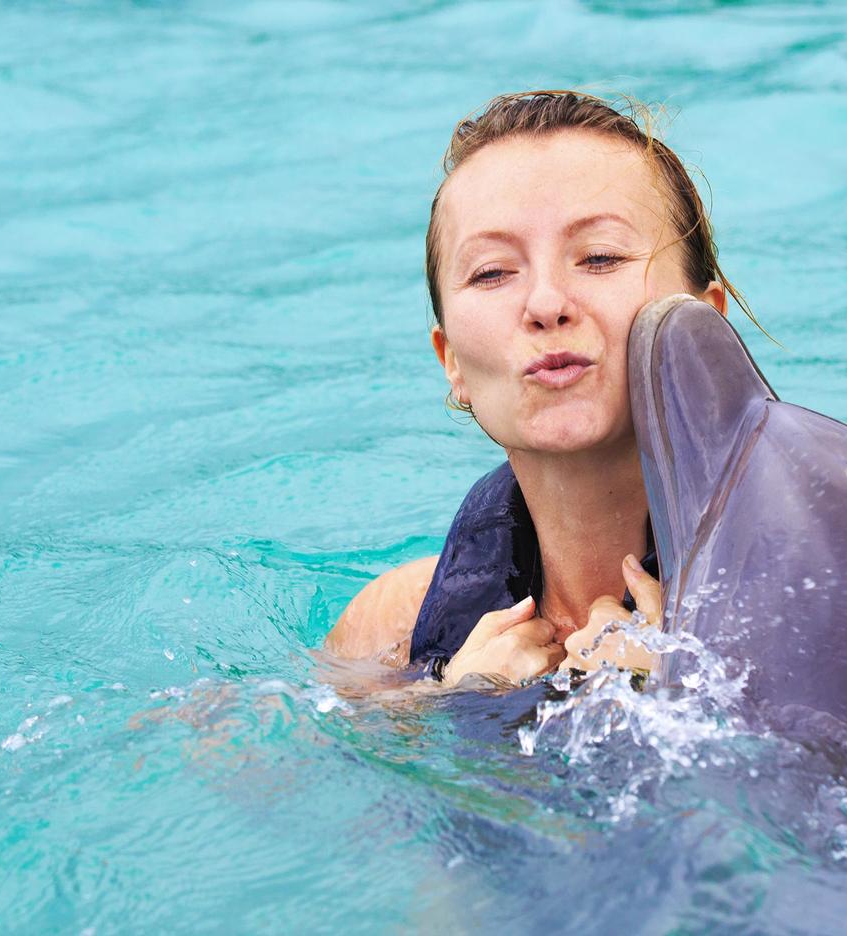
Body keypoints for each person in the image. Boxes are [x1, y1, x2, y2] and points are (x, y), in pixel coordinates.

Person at [323, 89, 755, 689]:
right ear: (452, 363)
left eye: (600, 257)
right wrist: (449, 713)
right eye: (493, 272)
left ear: (705, 323)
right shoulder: (392, 633)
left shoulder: (815, 600)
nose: (547, 304)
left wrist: (696, 699)